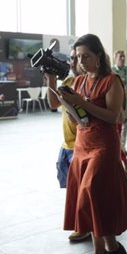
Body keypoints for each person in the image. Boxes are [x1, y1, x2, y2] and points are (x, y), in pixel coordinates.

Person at [57, 34, 127, 254]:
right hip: (83, 143)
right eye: (78, 57)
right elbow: (77, 117)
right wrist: (68, 104)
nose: (81, 61)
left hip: (104, 144)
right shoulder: (79, 81)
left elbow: (113, 116)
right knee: (90, 202)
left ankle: (111, 249)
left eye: (86, 56)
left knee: (90, 193)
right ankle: (101, 252)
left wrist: (80, 101)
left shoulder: (112, 81)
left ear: (98, 56)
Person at [44, 47, 90, 242]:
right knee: (72, 189)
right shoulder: (69, 81)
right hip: (66, 145)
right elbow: (53, 104)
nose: (74, 61)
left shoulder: (90, 84)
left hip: (82, 145)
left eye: (79, 57)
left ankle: (85, 225)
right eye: (72, 58)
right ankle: (84, 222)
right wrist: (51, 80)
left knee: (83, 189)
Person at [112, 50, 127, 153]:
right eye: (120, 57)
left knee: (125, 125)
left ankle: (122, 147)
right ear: (115, 58)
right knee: (114, 126)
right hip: (114, 102)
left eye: (124, 57)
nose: (122, 59)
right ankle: (115, 147)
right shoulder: (111, 70)